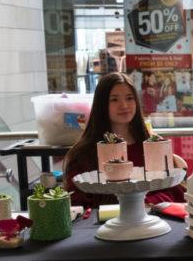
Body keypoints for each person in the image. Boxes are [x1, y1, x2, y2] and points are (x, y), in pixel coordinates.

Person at [64, 72, 185, 209]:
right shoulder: (84, 153)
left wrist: (146, 203)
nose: (124, 105)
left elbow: (173, 191)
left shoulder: (153, 145)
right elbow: (75, 203)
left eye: (129, 98)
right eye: (114, 100)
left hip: (151, 222)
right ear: (101, 105)